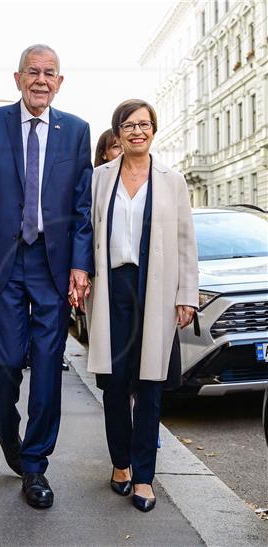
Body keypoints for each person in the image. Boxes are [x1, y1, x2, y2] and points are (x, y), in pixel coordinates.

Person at [0, 44, 93, 509]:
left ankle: (35, 464)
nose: (41, 80)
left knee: (47, 366)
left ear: (60, 82)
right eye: (33, 72)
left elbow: (82, 209)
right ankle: (7, 432)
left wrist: (81, 264)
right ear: (18, 78)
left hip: (53, 266)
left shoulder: (75, 132)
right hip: (3, 263)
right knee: (5, 362)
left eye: (49, 73)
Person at [85, 99, 198, 512]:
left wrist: (187, 293)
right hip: (112, 286)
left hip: (157, 288)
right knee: (115, 384)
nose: (137, 131)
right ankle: (120, 465)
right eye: (128, 125)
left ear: (154, 130)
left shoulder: (173, 180)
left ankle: (145, 476)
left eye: (144, 124)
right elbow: (86, 230)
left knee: (150, 383)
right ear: (117, 133)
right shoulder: (99, 178)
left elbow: (187, 240)